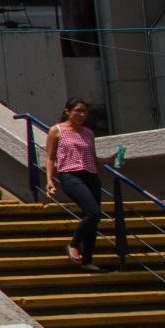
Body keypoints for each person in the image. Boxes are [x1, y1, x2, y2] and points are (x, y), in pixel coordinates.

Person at [45, 98, 117, 271]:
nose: (82, 114)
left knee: (93, 219)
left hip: (91, 175)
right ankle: (74, 244)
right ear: (68, 111)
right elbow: (50, 158)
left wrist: (110, 159)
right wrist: (49, 180)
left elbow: (93, 158)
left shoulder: (88, 133)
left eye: (84, 111)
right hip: (70, 175)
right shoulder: (57, 130)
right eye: (78, 110)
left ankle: (87, 260)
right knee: (93, 213)